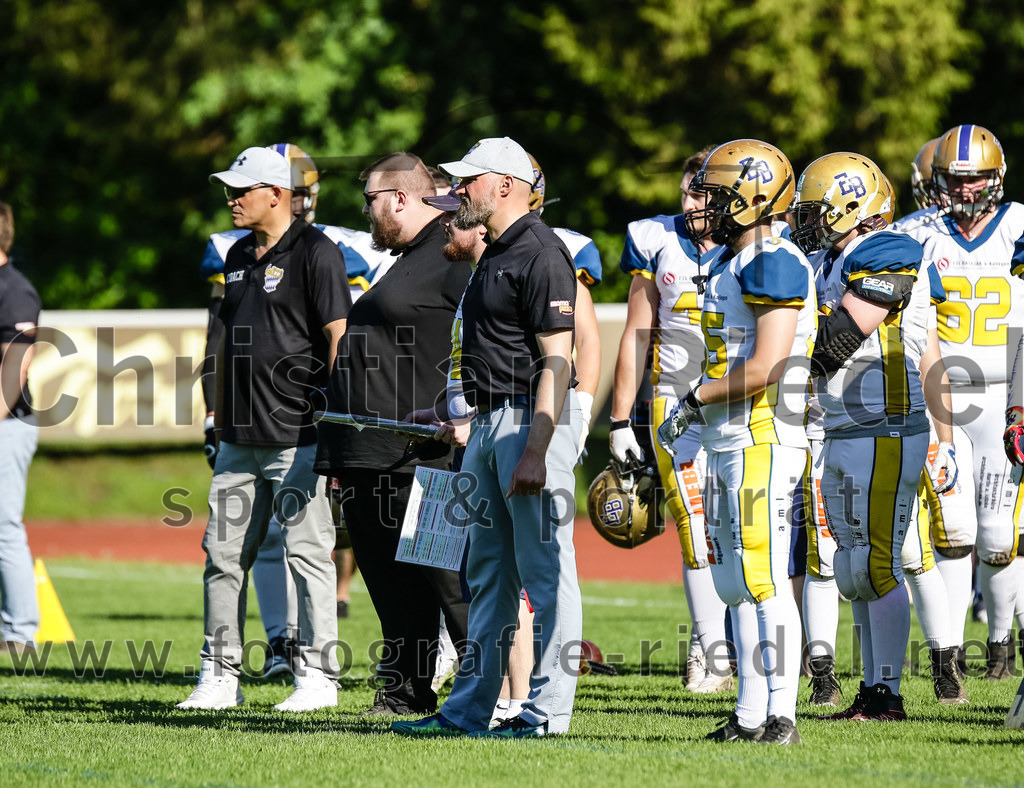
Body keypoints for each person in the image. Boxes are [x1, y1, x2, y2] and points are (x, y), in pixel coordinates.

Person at [391, 136, 582, 739]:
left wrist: (535, 447)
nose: (458, 191)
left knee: (546, 574)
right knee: (487, 577)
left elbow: (558, 362)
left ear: (504, 184)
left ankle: (547, 713)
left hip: (530, 421)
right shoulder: (497, 252)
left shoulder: (541, 252)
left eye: (469, 180)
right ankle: (469, 711)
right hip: (491, 422)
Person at [177, 146, 349, 711]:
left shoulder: (318, 253)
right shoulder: (236, 255)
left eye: (241, 189)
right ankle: (220, 676)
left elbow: (338, 342)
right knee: (222, 557)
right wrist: (215, 416)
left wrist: (335, 427)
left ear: (276, 194)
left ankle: (319, 678)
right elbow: (224, 344)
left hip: (298, 436)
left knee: (306, 556)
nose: (230, 198)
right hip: (238, 441)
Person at [791, 152, 962, 720]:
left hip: (885, 427)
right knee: (852, 566)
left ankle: (886, 694)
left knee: (880, 564)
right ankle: (872, 687)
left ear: (852, 208)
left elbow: (838, 338)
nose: (809, 221)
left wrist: (774, 362)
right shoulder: (829, 259)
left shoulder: (887, 250)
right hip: (845, 427)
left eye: (819, 211)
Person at [658, 139, 814, 745]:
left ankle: (782, 715)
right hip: (729, 437)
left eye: (717, 195)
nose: (703, 207)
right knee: (732, 583)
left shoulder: (773, 260)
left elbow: (766, 364)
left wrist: (694, 400)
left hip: (763, 435)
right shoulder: (732, 262)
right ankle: (749, 712)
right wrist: (695, 420)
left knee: (764, 575)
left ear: (753, 197)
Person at [314, 152, 472, 717]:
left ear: (400, 198)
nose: (367, 213)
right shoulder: (403, 260)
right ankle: (405, 691)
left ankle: (491, 697)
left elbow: (491, 335)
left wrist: (467, 411)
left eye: (371, 201)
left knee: (447, 578)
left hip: (423, 453)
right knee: (391, 583)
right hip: (368, 453)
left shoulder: (455, 252)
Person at [609, 146, 733, 694]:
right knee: (694, 526)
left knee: (744, 527)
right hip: (674, 401)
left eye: (701, 192)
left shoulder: (761, 241)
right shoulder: (655, 239)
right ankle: (711, 651)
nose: (689, 201)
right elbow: (638, 334)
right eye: (686, 190)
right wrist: (619, 420)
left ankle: (760, 648)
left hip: (743, 402)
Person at [903, 124, 1024, 680]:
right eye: (955, 179)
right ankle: (946, 653)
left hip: (1003, 393)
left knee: (999, 538)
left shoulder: (1018, 226)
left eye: (975, 179)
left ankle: (1001, 643)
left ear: (995, 179)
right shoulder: (919, 232)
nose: (965, 191)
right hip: (943, 398)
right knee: (952, 533)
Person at [0, 203, 41, 657]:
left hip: (9, 423)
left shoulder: (13, 290)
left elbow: (16, 369)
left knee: (4, 526)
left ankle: (20, 633)